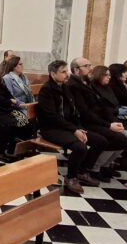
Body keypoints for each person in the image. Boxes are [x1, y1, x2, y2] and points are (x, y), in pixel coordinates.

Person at [38, 60, 105, 195]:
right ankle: (71, 177)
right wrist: (74, 130)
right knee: (80, 147)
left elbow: (74, 112)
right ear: (52, 74)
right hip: (51, 129)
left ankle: (82, 171)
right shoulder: (47, 90)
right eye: (63, 72)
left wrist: (79, 128)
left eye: (67, 71)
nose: (67, 74)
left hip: (68, 127)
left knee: (101, 141)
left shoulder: (65, 87)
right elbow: (52, 117)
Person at [67, 58, 127, 180]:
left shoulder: (86, 83)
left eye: (90, 65)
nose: (91, 68)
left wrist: (112, 122)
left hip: (96, 121)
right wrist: (108, 125)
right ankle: (91, 168)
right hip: (85, 123)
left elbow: (101, 106)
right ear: (76, 70)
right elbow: (85, 113)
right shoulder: (73, 86)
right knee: (116, 139)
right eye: (87, 66)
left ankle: (104, 165)